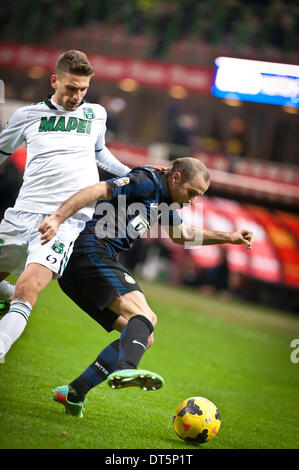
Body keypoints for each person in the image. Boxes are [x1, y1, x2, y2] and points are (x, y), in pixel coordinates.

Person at [38, 157, 253, 418]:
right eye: (192, 192)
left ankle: (74, 392)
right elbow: (98, 189)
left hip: (81, 270)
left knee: (141, 337)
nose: (192, 201)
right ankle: (127, 368)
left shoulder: (164, 200)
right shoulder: (147, 181)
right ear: (175, 178)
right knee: (145, 317)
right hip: (90, 252)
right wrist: (58, 218)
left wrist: (229, 238)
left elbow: (181, 235)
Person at [0, 49, 132, 360]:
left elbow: (99, 153)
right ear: (54, 81)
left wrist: (133, 174)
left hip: (65, 221)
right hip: (22, 214)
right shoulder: (27, 116)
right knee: (13, 290)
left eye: (83, 89)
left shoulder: (96, 114)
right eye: (71, 88)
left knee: (27, 290)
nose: (77, 96)